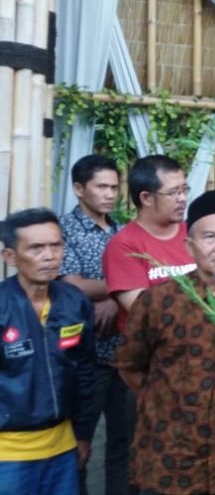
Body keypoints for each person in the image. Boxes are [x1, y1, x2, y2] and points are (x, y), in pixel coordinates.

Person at [114, 190, 215, 494]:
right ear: (189, 246)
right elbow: (130, 364)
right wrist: (166, 401)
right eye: (210, 237)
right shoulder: (159, 302)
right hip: (172, 461)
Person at [0, 208, 95, 494]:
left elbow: (85, 372)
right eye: (37, 248)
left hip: (63, 449)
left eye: (56, 245)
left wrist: (83, 434)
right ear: (10, 256)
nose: (50, 256)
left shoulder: (74, 302)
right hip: (9, 456)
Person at [58, 155, 130, 495]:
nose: (110, 194)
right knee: (78, 447)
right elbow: (72, 286)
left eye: (114, 187)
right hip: (84, 357)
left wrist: (114, 298)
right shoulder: (64, 231)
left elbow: (148, 276)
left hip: (125, 354)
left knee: (125, 445)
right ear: (78, 188)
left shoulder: (122, 230)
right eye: (102, 186)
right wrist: (122, 289)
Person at [103, 155, 196, 314]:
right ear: (146, 198)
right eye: (173, 192)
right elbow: (144, 311)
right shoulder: (123, 246)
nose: (182, 198)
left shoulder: (194, 232)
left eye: (184, 190)